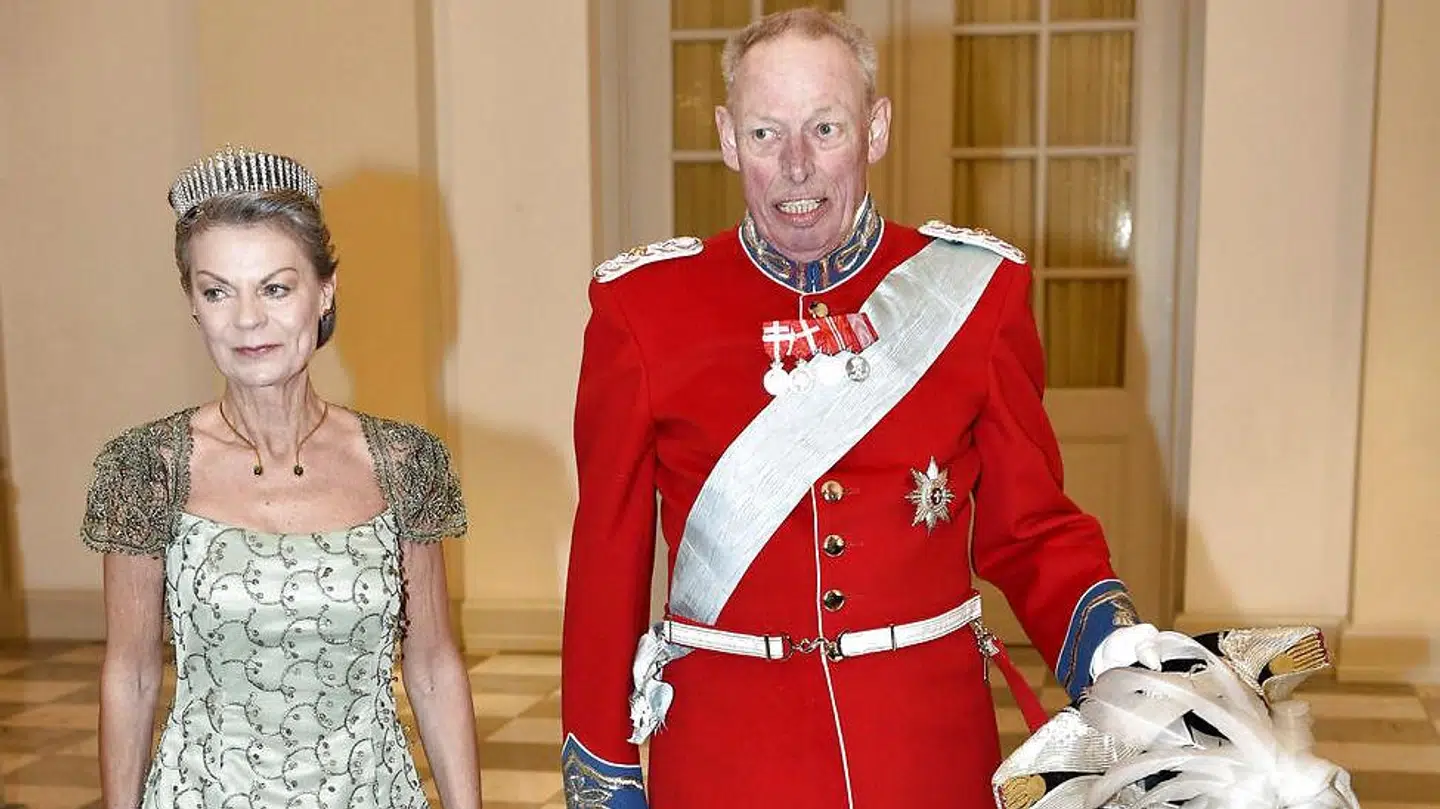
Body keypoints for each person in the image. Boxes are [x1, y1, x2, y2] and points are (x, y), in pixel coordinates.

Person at [559, 9, 1162, 809]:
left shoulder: (975, 296)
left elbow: (1032, 530)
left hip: (927, 752)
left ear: (875, 129)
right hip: (726, 757)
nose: (797, 167)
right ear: (729, 138)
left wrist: (1124, 656)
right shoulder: (643, 311)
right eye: (767, 134)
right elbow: (608, 565)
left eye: (826, 128)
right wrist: (605, 778)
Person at [82, 145, 482, 809]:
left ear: (325, 289)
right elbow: (131, 672)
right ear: (192, 302)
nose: (246, 321)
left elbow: (435, 664)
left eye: (275, 287)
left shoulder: (404, 462)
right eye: (217, 291)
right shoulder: (147, 467)